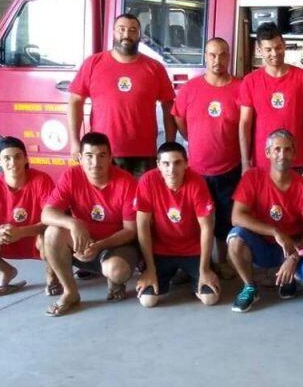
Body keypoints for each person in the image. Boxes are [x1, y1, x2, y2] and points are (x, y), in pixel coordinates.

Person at [41, 132, 139, 317]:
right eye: (89, 156)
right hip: (83, 242)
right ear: (80, 158)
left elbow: (130, 231)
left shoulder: (127, 182)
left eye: (102, 156)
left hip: (117, 244)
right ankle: (70, 292)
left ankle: (115, 281)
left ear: (110, 157)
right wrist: (73, 223)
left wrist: (99, 245)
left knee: (116, 271)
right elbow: (47, 213)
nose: (95, 163)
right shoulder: (71, 176)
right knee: (52, 233)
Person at [68, 13, 177, 176]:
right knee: (106, 201)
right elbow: (75, 101)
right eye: (122, 29)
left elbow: (169, 105)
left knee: (141, 201)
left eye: (133, 30)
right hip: (103, 153)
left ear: (139, 34)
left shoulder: (155, 68)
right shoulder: (93, 63)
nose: (127, 34)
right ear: (113, 32)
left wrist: (170, 143)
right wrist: (75, 142)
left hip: (144, 153)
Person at [227, 129, 303, 312]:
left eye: (287, 150)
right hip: (262, 243)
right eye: (277, 149)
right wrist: (275, 231)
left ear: (294, 153)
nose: (282, 155)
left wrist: (293, 257)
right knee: (235, 239)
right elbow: (236, 217)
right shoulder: (252, 177)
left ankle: (289, 278)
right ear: (267, 153)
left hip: (293, 246)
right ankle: (250, 287)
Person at [172, 37, 241, 272]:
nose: (217, 60)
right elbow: (178, 117)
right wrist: (194, 138)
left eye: (222, 55)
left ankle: (221, 261)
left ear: (229, 57)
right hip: (197, 170)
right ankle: (193, 264)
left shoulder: (240, 88)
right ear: (205, 57)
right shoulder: (190, 88)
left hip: (230, 168)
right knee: (193, 219)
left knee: (224, 218)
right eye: (212, 55)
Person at [134, 142, 220, 308]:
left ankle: (193, 272)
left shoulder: (197, 182)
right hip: (161, 251)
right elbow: (142, 226)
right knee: (147, 301)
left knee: (210, 299)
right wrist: (150, 269)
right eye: (166, 163)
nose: (171, 169)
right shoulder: (147, 181)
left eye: (177, 163)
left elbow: (207, 227)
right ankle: (178, 273)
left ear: (186, 163)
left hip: (193, 250)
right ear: (158, 165)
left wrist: (204, 269)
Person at [239, 23, 303, 179]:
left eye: (278, 47)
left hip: (298, 162)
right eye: (268, 49)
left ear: (284, 45)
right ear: (259, 50)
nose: (274, 53)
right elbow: (245, 124)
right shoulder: (250, 81)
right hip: (263, 163)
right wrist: (245, 162)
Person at [0, 137, 55, 297]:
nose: (13, 162)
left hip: (36, 238)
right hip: (7, 239)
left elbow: (53, 219)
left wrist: (21, 232)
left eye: (18, 156)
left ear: (26, 159)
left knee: (53, 236)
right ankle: (7, 272)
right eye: (7, 158)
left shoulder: (42, 180)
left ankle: (53, 276)